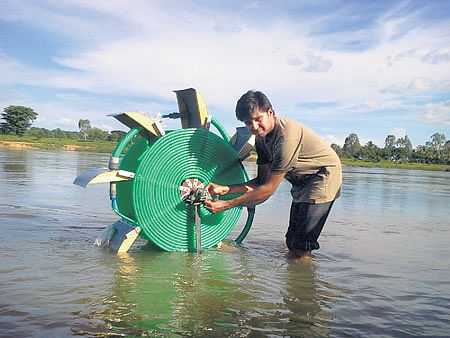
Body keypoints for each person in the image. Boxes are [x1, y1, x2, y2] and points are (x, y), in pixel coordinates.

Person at [204, 90, 342, 262]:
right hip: (301, 181)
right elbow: (261, 182)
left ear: (270, 112)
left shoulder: (286, 138)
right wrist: (226, 189)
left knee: (303, 243)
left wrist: (227, 204)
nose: (253, 126)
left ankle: (303, 282)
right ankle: (293, 277)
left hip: (322, 177)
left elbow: (269, 189)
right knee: (292, 241)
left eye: (257, 119)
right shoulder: (261, 139)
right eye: (248, 123)